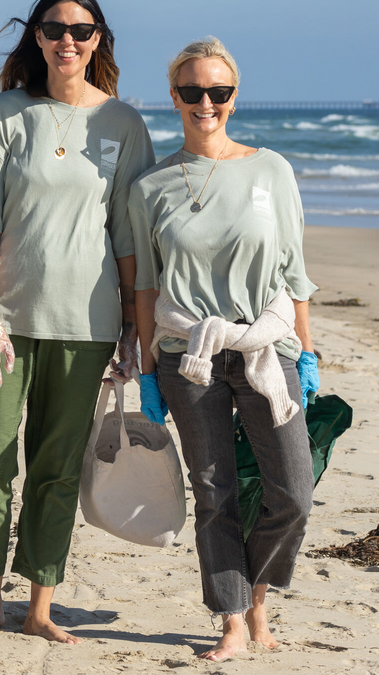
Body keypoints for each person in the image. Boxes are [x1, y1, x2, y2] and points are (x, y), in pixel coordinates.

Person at [0, 0, 154, 642]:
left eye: (82, 30)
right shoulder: (6, 112)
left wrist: (132, 331)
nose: (69, 40)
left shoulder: (122, 123)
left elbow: (129, 233)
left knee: (57, 467)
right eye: (56, 29)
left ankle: (38, 606)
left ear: (99, 41)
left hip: (88, 325)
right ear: (36, 36)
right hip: (6, 319)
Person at [128, 37, 317, 662]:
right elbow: (146, 286)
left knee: (292, 489)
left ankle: (260, 595)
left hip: (266, 344)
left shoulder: (272, 170)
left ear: (235, 98)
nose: (204, 102)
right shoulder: (150, 185)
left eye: (218, 91)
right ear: (175, 97)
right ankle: (234, 620)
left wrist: (306, 355)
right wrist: (148, 374)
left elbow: (293, 272)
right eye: (191, 91)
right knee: (214, 492)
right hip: (190, 353)